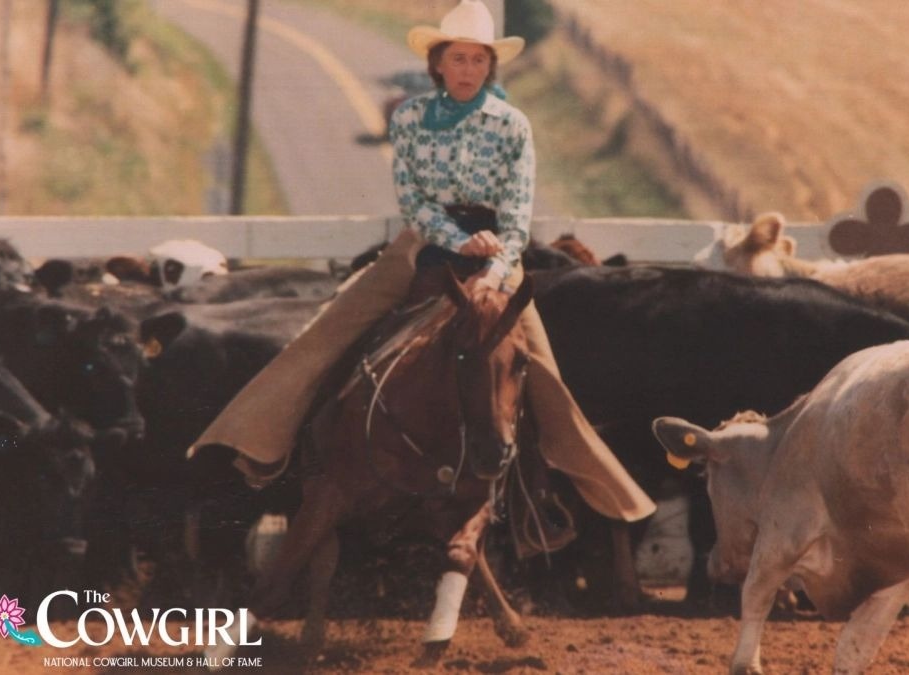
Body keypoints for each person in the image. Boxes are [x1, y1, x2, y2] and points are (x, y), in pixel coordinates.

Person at [190, 0, 655, 527]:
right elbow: (413, 200)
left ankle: (558, 496)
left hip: (499, 254)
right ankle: (269, 443)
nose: (468, 71)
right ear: (438, 64)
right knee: (333, 327)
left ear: (490, 66)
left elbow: (520, 212)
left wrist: (493, 270)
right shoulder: (410, 119)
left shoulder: (512, 126)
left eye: (478, 61)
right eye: (458, 59)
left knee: (537, 367)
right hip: (426, 243)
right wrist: (458, 241)